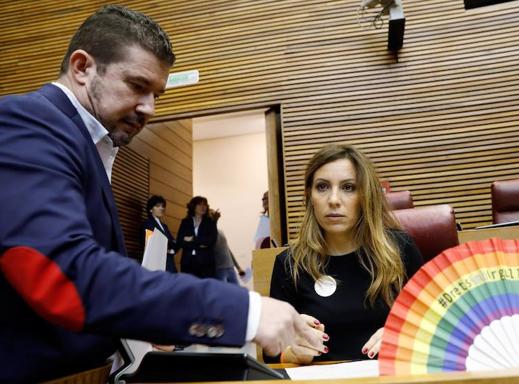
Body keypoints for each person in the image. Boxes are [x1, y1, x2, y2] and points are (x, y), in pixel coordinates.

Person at [0, 6, 323, 383]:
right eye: (138, 86)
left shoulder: (85, 142)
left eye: (157, 94)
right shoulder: (27, 123)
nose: (149, 109)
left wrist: (149, 322)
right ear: (82, 67)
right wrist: (246, 312)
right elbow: (63, 278)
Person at [269, 144, 423, 364]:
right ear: (309, 196)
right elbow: (272, 353)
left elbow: (435, 326)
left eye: (348, 187)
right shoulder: (289, 264)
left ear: (365, 196)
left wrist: (406, 336)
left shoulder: (401, 249)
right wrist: (293, 351)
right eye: (322, 187)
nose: (333, 199)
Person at [177, 196, 219, 278]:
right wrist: (201, 244)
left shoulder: (210, 222)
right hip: (188, 262)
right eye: (199, 205)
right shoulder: (185, 222)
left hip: (206, 263)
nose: (203, 207)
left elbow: (211, 241)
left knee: (205, 289)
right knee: (189, 288)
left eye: (205, 205)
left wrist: (192, 239)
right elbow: (180, 241)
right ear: (193, 206)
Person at [141, 195, 178, 273]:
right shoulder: (148, 223)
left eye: (162, 206)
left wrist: (170, 248)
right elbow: (152, 243)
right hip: (157, 263)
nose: (161, 208)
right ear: (151, 209)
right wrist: (168, 246)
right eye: (158, 206)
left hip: (169, 263)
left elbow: (174, 243)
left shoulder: (164, 226)